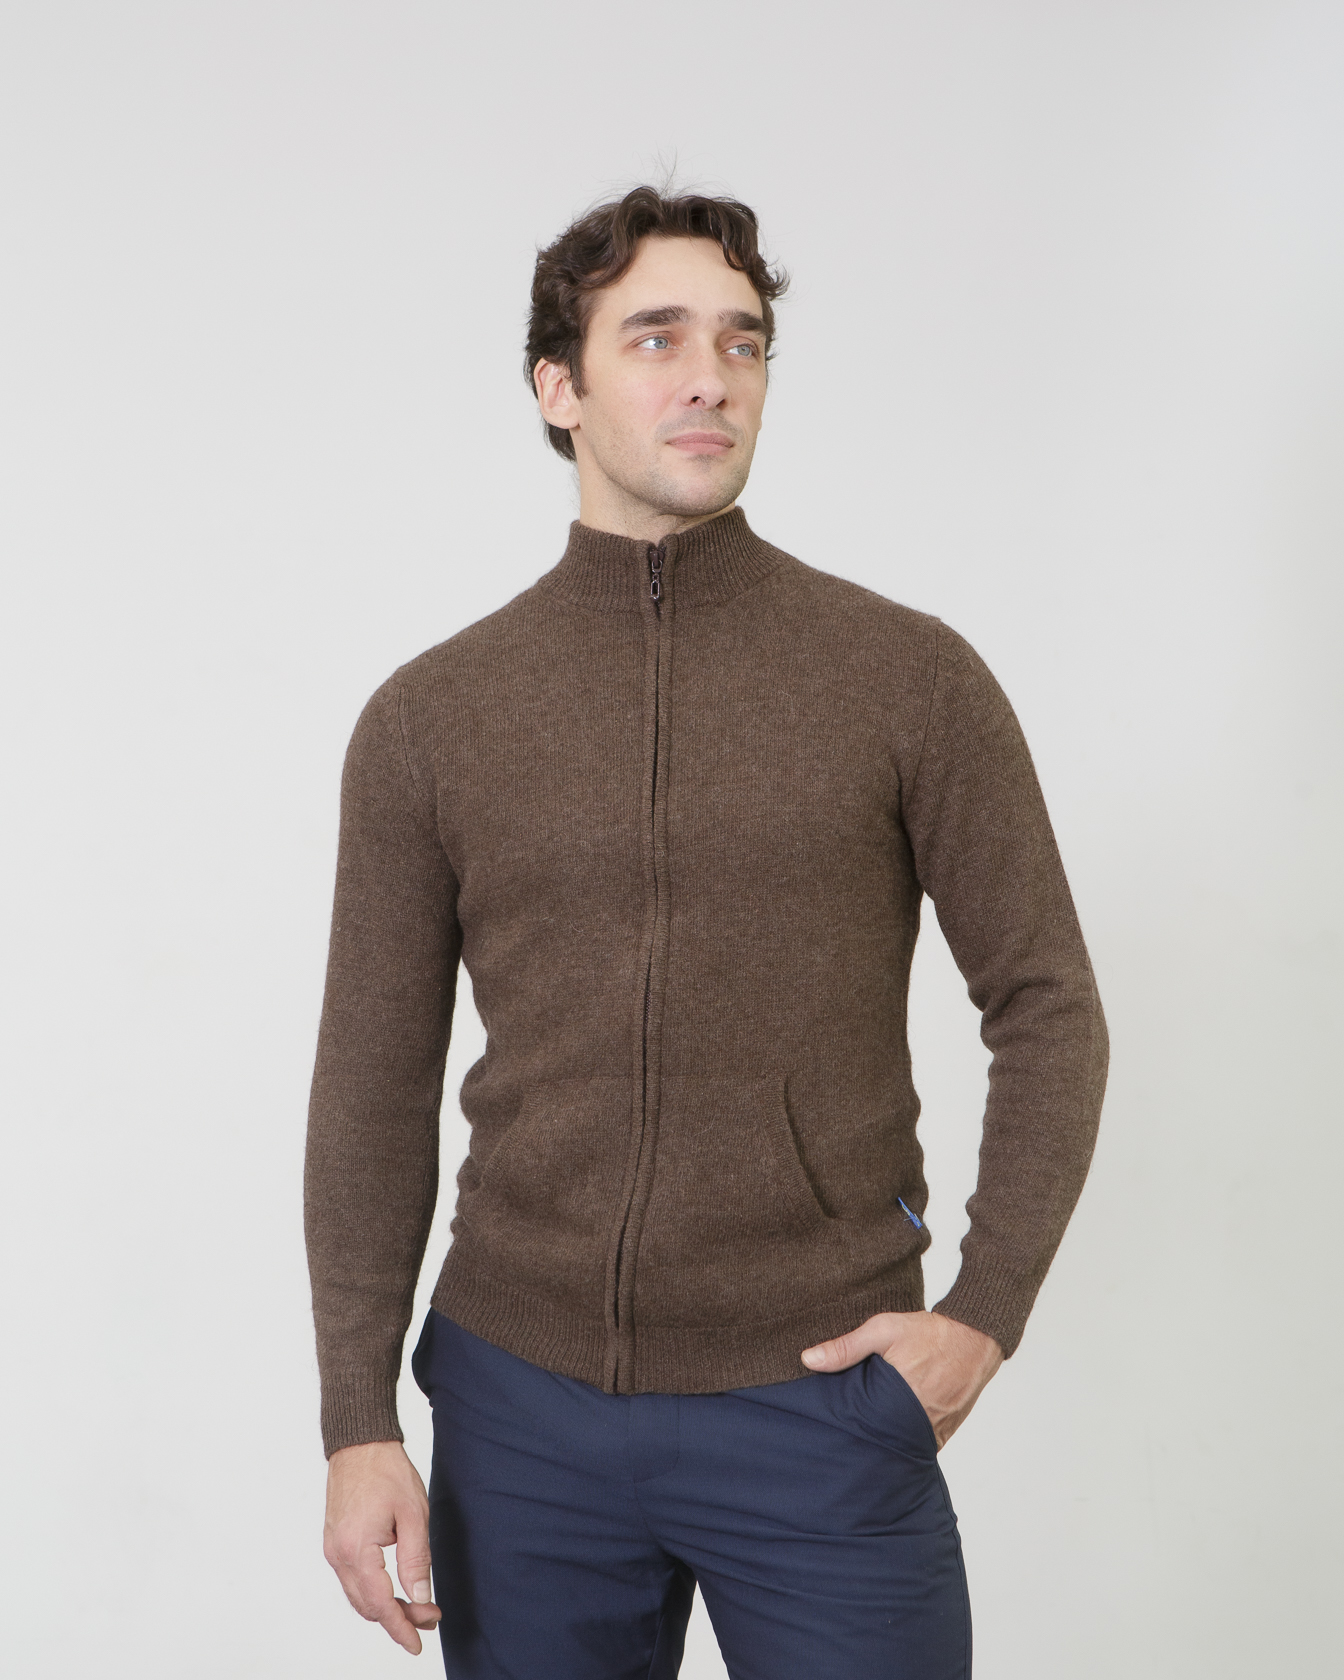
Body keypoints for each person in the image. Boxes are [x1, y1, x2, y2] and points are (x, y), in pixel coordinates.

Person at [304, 185, 1109, 1679]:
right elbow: (371, 1081)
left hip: (817, 1398)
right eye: (656, 338)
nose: (710, 378)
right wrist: (358, 1419)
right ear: (559, 388)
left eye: (743, 344)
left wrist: (983, 1316)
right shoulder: (433, 718)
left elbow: (1048, 1002)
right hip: (519, 1411)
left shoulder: (907, 679)